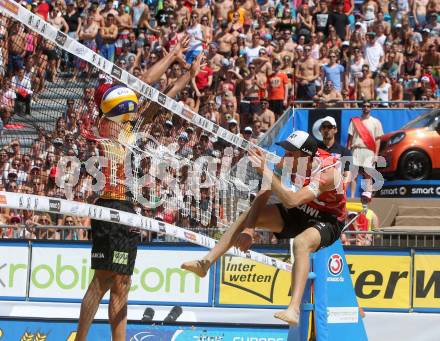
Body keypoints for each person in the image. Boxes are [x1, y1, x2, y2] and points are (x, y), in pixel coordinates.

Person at [75, 40, 201, 341]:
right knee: (102, 282)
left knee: (123, 284)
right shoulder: (100, 126)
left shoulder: (129, 130)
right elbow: (142, 85)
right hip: (109, 207)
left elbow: (160, 101)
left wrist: (188, 74)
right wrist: (171, 55)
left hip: (128, 210)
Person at [182, 130, 347, 326]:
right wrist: (250, 229)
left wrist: (264, 170)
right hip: (304, 210)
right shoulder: (289, 163)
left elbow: (292, 200)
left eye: (290, 152)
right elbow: (265, 191)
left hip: (329, 219)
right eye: (285, 150)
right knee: (247, 215)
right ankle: (206, 263)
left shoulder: (327, 172)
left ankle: (293, 310)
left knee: (302, 243)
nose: (285, 155)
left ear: (305, 156)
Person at [347, 101, 383, 199]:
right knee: (353, 175)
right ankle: (353, 196)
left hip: (369, 150)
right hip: (356, 149)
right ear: (361, 107)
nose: (366, 107)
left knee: (368, 174)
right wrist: (348, 151)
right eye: (364, 106)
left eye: (368, 106)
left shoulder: (376, 122)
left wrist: (376, 154)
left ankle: (367, 195)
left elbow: (378, 140)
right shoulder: (355, 121)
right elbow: (349, 138)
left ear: (371, 108)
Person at [317, 116, 352, 184]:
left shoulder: (344, 151)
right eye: (324, 127)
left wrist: (343, 188)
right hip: (317, 188)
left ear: (335, 130)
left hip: (336, 189)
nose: (326, 130)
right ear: (321, 130)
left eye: (329, 127)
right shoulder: (314, 149)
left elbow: (347, 172)